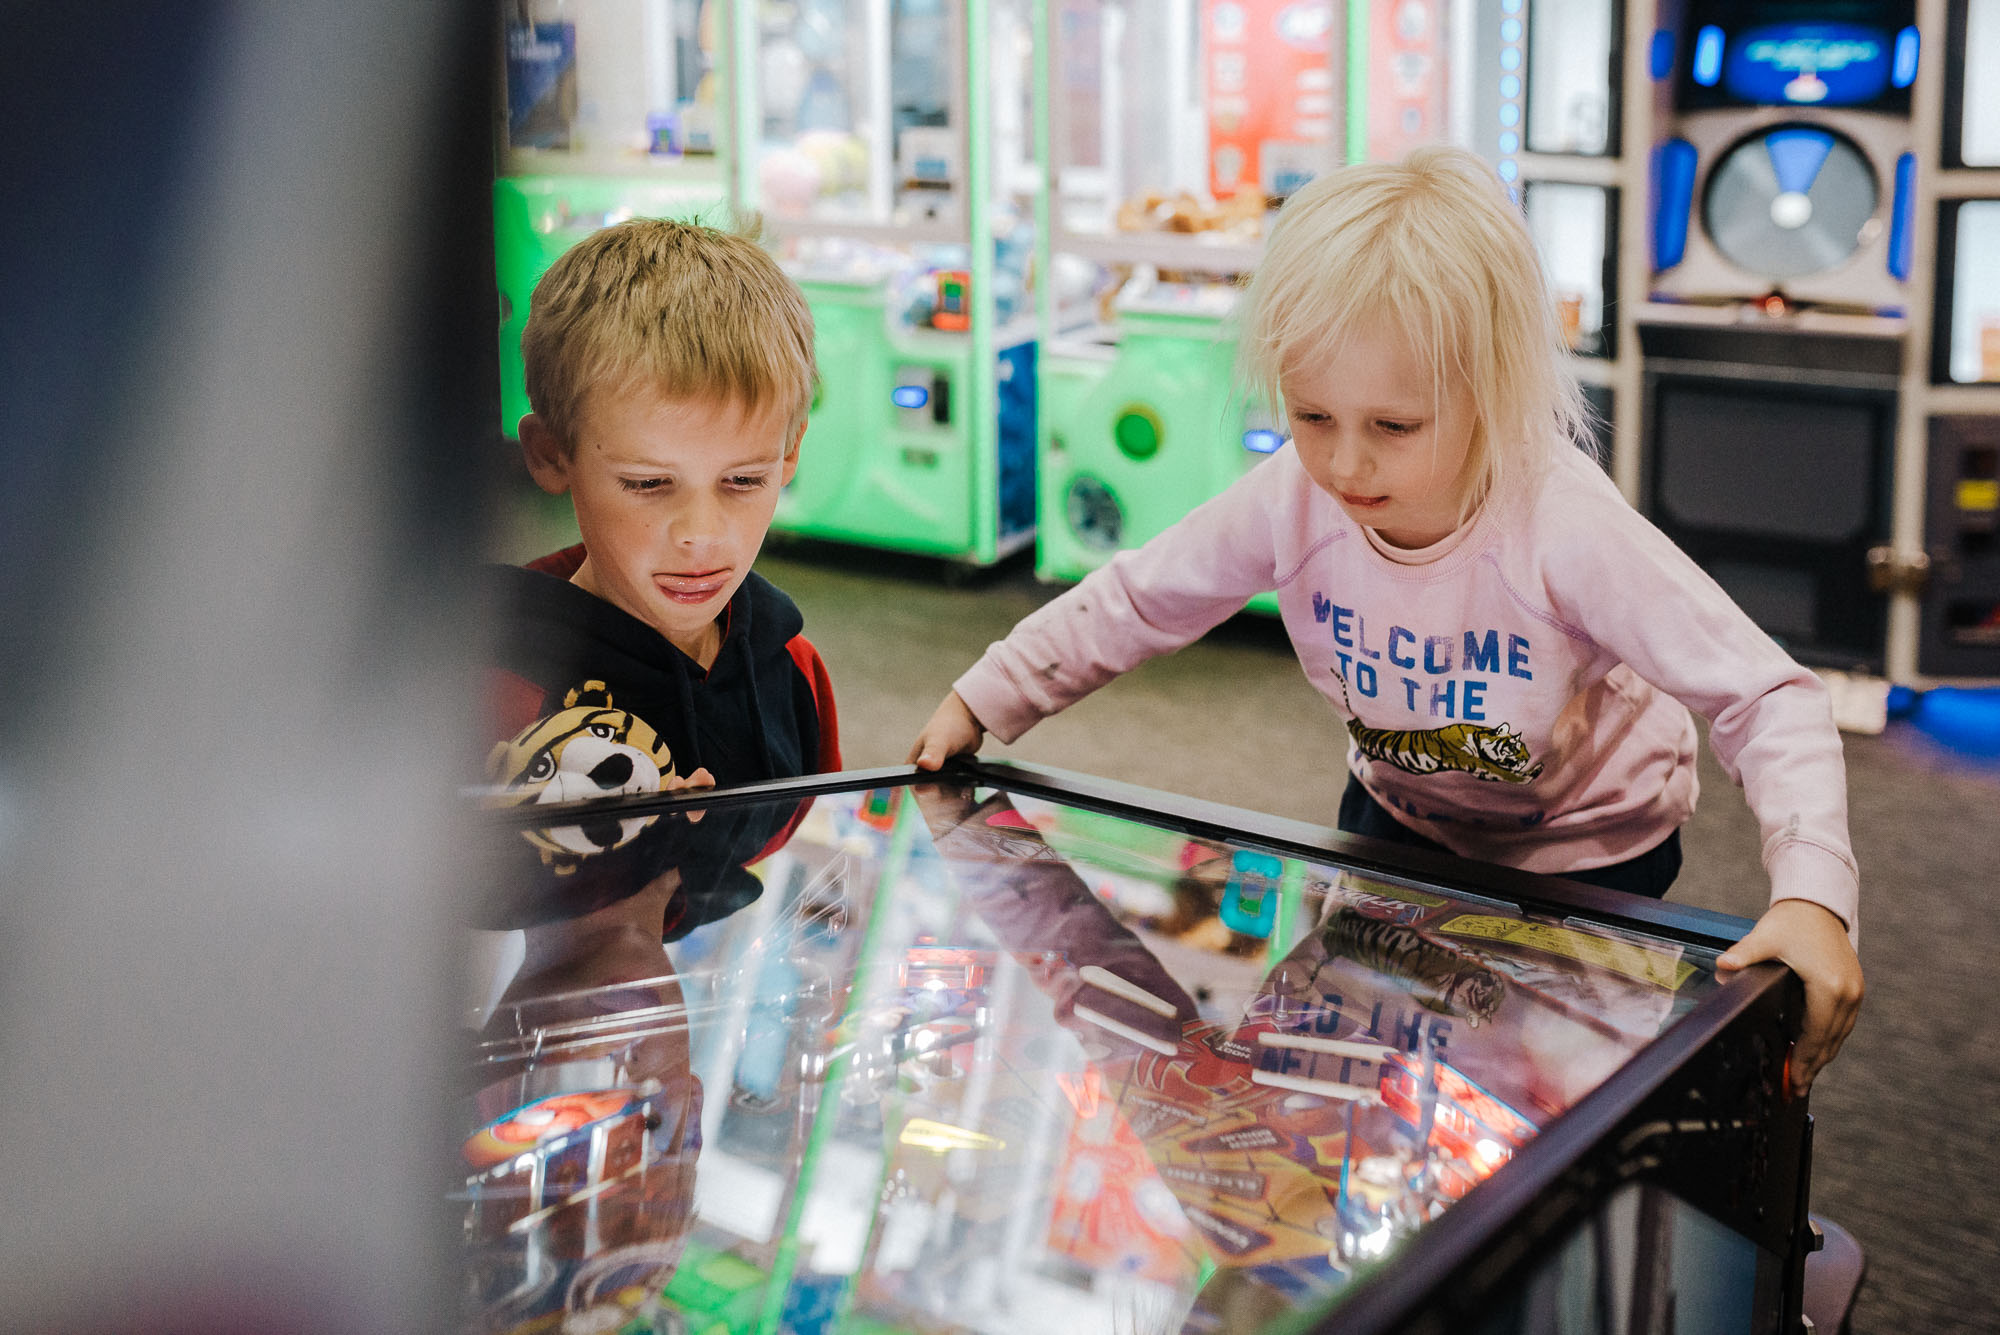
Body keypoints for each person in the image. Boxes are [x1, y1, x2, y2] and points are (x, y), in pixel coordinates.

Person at [909, 147, 1861, 1095]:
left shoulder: (1563, 526)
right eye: (1312, 416)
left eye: (1394, 427)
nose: (1346, 465)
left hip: (1590, 857)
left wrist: (1813, 895)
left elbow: (1767, 695)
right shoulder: (1295, 496)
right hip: (1396, 820)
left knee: (1546, 1100)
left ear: (1492, 393)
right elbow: (1141, 598)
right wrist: (986, 693)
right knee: (1350, 1077)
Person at [484, 217, 840, 836]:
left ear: (790, 454)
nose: (701, 535)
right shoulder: (489, 692)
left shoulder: (795, 671)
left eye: (743, 481)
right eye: (648, 484)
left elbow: (805, 849)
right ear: (549, 454)